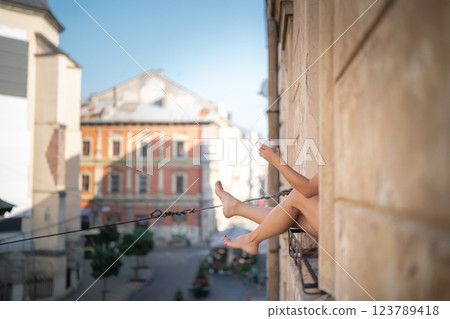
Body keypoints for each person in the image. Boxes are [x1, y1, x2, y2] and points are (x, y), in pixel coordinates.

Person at [215, 144, 319, 255]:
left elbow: (307, 189)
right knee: (290, 217)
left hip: (335, 225)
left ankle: (251, 240)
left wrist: (276, 161)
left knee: (298, 195)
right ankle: (236, 207)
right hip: (331, 222)